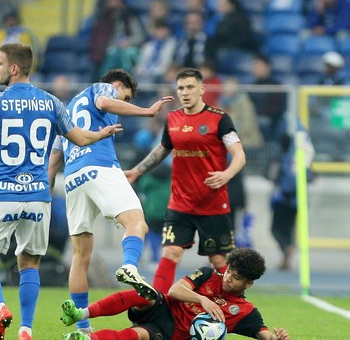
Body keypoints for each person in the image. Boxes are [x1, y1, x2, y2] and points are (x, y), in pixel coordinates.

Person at [0, 43, 122, 340]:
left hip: (2, 194)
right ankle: (26, 329)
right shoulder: (52, 103)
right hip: (39, 198)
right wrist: (100, 133)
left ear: (14, 68)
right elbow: (80, 139)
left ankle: (0, 307)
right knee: (29, 264)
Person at [48, 69, 174, 334]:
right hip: (100, 166)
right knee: (137, 224)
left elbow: (56, 153)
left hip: (72, 177)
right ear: (117, 85)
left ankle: (82, 327)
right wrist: (146, 111)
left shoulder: (69, 109)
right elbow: (104, 102)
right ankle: (129, 266)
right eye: (125, 96)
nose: (124, 102)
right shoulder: (100, 88)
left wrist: (48, 186)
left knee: (80, 255)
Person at [125, 68, 246, 294]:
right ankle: (158, 308)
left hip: (212, 203)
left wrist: (226, 174)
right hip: (180, 202)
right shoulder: (173, 119)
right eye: (181, 88)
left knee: (219, 260)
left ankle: (230, 308)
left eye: (190, 87)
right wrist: (137, 171)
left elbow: (239, 155)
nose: (185, 92)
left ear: (202, 89)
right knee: (170, 253)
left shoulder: (220, 119)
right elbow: (162, 150)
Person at [60, 247, 291, 340]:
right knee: (146, 295)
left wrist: (278, 338)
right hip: (166, 305)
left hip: (170, 331)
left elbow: (264, 335)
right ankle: (81, 314)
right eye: (230, 271)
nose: (229, 277)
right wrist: (202, 299)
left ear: (248, 284)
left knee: (138, 335)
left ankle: (87, 338)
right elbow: (175, 290)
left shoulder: (245, 313)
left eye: (237, 278)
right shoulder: (209, 274)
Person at [269, 132, 314, 271]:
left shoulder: (283, 159)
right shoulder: (301, 159)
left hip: (283, 200)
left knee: (276, 229)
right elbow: (311, 177)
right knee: (289, 229)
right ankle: (286, 257)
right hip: (297, 201)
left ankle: (287, 249)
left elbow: (271, 175)